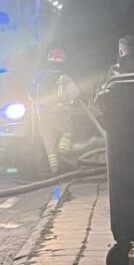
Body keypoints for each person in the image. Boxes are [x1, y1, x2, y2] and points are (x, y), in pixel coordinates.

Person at [30, 46, 81, 175]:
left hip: (42, 114)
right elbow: (74, 94)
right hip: (60, 112)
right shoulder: (65, 78)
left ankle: (55, 171)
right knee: (67, 133)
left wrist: (38, 106)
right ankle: (62, 155)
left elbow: (30, 93)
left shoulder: (38, 77)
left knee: (49, 144)